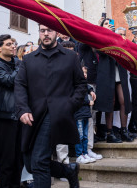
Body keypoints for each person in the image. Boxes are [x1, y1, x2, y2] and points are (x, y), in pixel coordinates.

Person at [15, 24, 87, 188]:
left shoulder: (70, 57)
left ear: (56, 33)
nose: (46, 34)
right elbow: (20, 86)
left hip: (55, 115)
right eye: (42, 31)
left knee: (39, 161)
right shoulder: (28, 59)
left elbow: (81, 85)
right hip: (32, 115)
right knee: (30, 163)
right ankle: (68, 171)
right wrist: (23, 109)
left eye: (49, 30)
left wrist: (69, 105)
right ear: (39, 33)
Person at [0, 34, 23, 188]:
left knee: (19, 159)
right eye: (9, 44)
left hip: (21, 115)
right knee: (7, 159)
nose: (13, 46)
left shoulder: (18, 63)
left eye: (14, 44)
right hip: (5, 117)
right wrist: (20, 66)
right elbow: (10, 81)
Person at [95, 18, 133, 143]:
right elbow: (99, 50)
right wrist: (105, 33)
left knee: (124, 100)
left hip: (119, 70)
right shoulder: (100, 37)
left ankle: (124, 130)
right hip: (107, 71)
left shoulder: (119, 39)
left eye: (110, 24)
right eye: (106, 24)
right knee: (110, 101)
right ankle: (109, 133)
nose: (109, 26)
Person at [74, 67, 96, 164]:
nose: (85, 74)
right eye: (83, 72)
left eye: (86, 72)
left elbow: (87, 86)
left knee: (85, 136)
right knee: (80, 136)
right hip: (79, 114)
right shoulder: (74, 85)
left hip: (85, 114)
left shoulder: (84, 84)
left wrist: (91, 90)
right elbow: (77, 99)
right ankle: (79, 155)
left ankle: (85, 152)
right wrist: (88, 102)